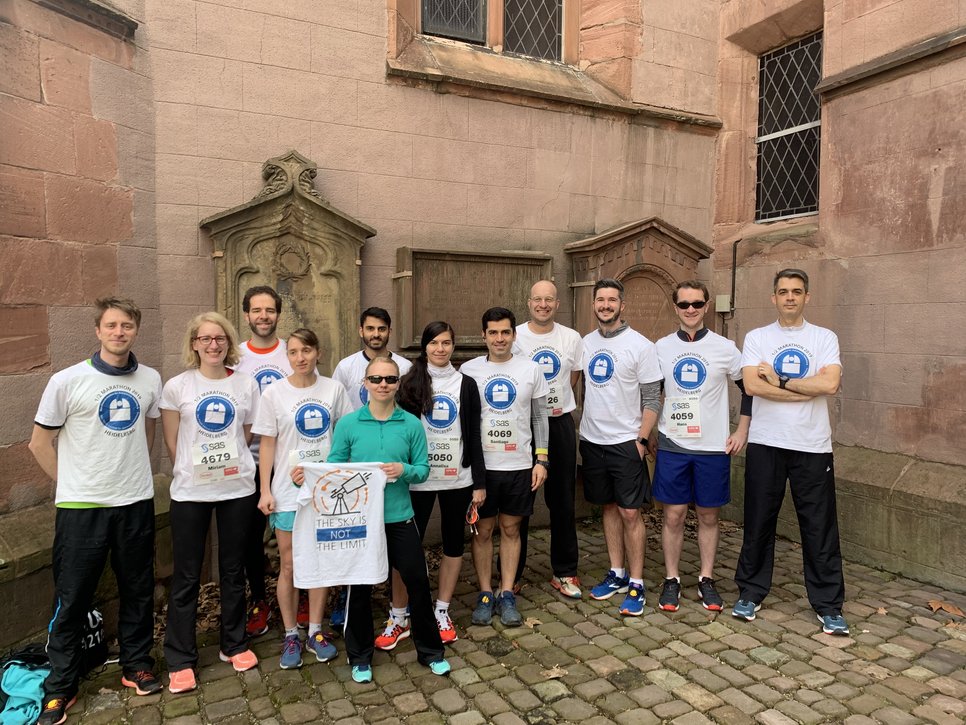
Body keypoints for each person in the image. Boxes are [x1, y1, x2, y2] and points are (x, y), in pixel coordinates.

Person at [30, 298, 163, 725]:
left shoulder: (150, 379)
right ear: (98, 331)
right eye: (111, 325)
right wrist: (71, 484)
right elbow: (39, 443)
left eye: (127, 325)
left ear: (135, 330)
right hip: (81, 507)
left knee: (138, 590)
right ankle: (61, 687)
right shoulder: (67, 381)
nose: (119, 332)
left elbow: (149, 432)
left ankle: (137, 664)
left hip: (135, 501)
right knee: (71, 599)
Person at [311, 357, 449, 683]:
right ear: (365, 383)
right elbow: (333, 470)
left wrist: (404, 471)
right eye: (376, 379)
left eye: (389, 379)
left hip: (400, 517)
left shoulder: (412, 425)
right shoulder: (348, 424)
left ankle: (430, 652)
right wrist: (309, 475)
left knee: (416, 581)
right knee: (358, 590)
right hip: (362, 521)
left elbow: (423, 469)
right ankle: (359, 657)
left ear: (398, 384)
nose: (383, 384)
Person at [733, 269, 849, 635]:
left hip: (812, 445)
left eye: (796, 292)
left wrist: (781, 381)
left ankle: (829, 605)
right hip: (767, 442)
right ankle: (751, 592)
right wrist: (805, 388)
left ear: (807, 297)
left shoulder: (824, 338)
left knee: (819, 527)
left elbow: (830, 384)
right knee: (758, 521)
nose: (789, 297)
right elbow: (752, 385)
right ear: (774, 297)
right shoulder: (757, 338)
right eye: (783, 291)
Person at [160, 312, 261, 694]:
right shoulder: (177, 386)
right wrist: (193, 469)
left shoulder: (246, 385)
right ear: (194, 344)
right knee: (187, 575)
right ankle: (180, 658)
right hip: (190, 492)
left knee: (232, 569)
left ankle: (233, 644)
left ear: (229, 343)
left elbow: (245, 434)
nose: (213, 345)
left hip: (236, 489)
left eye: (220, 338)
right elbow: (172, 441)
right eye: (205, 339)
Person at [374, 322, 486, 649]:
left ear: (454, 346)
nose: (440, 348)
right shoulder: (410, 382)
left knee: (454, 544)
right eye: (434, 342)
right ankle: (399, 615)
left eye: (447, 342)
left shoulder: (466, 384)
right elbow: (399, 433)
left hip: (457, 480)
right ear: (425, 347)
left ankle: (442, 610)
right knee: (406, 550)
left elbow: (474, 435)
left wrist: (479, 482)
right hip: (417, 480)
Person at [252, 329, 352, 668]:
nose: (300, 357)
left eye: (306, 350)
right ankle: (291, 634)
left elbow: (345, 436)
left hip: (325, 492)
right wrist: (265, 489)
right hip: (286, 493)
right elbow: (267, 444)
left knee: (321, 562)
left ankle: (315, 631)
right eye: (293, 352)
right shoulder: (274, 394)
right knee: (290, 563)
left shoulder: (334, 390)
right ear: (288, 356)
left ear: (317, 352)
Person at [653, 281, 751, 612]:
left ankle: (706, 579)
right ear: (675, 307)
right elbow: (653, 393)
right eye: (684, 304)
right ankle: (671, 579)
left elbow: (748, 388)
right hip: (674, 444)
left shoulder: (725, 347)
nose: (691, 310)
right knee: (674, 514)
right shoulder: (662, 347)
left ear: (707, 306)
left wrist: (743, 431)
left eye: (697, 304)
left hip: (712, 447)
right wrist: (649, 430)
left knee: (709, 515)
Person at [461, 308, 549, 627]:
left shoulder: (531, 369)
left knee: (511, 529)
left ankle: (507, 591)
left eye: (506, 332)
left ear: (514, 334)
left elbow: (539, 417)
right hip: (483, 468)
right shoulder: (468, 371)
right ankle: (486, 592)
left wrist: (541, 459)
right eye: (493, 333)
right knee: (483, 531)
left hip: (519, 465)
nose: (500, 339)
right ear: (483, 335)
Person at [580, 278, 662, 616]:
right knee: (609, 508)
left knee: (631, 512)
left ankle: (637, 582)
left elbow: (653, 397)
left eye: (612, 300)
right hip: (592, 440)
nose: (606, 305)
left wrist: (642, 440)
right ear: (594, 304)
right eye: (600, 300)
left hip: (626, 442)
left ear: (622, 305)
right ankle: (616, 572)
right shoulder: (585, 343)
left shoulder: (640, 346)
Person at [512, 280, 583, 598]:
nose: (543, 304)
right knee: (519, 501)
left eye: (549, 299)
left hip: (559, 424)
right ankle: (511, 574)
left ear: (557, 304)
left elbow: (573, 378)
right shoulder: (514, 336)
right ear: (529, 303)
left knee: (562, 501)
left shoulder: (571, 338)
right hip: (523, 427)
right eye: (537, 299)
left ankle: (565, 572)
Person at [234, 285, 294, 636]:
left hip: (288, 463)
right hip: (246, 462)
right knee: (250, 539)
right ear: (246, 316)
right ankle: (259, 599)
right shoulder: (236, 356)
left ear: (277, 314)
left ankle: (299, 596)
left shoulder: (292, 353)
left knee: (296, 536)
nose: (263, 316)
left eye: (269, 310)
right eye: (256, 310)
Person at [332, 307, 413, 411]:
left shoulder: (405, 367)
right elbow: (335, 404)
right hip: (357, 427)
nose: (376, 334)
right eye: (370, 328)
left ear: (390, 332)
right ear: (361, 331)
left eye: (382, 329)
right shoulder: (345, 367)